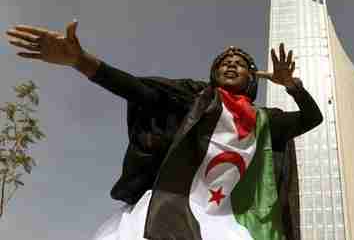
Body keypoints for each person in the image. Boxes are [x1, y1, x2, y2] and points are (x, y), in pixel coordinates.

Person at [6, 20, 323, 240]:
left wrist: (294, 87)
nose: (230, 64)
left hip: (228, 223)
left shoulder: (264, 120)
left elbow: (312, 118)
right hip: (170, 208)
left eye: (240, 63)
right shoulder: (194, 99)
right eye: (224, 61)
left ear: (252, 79)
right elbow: (139, 90)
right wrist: (81, 61)